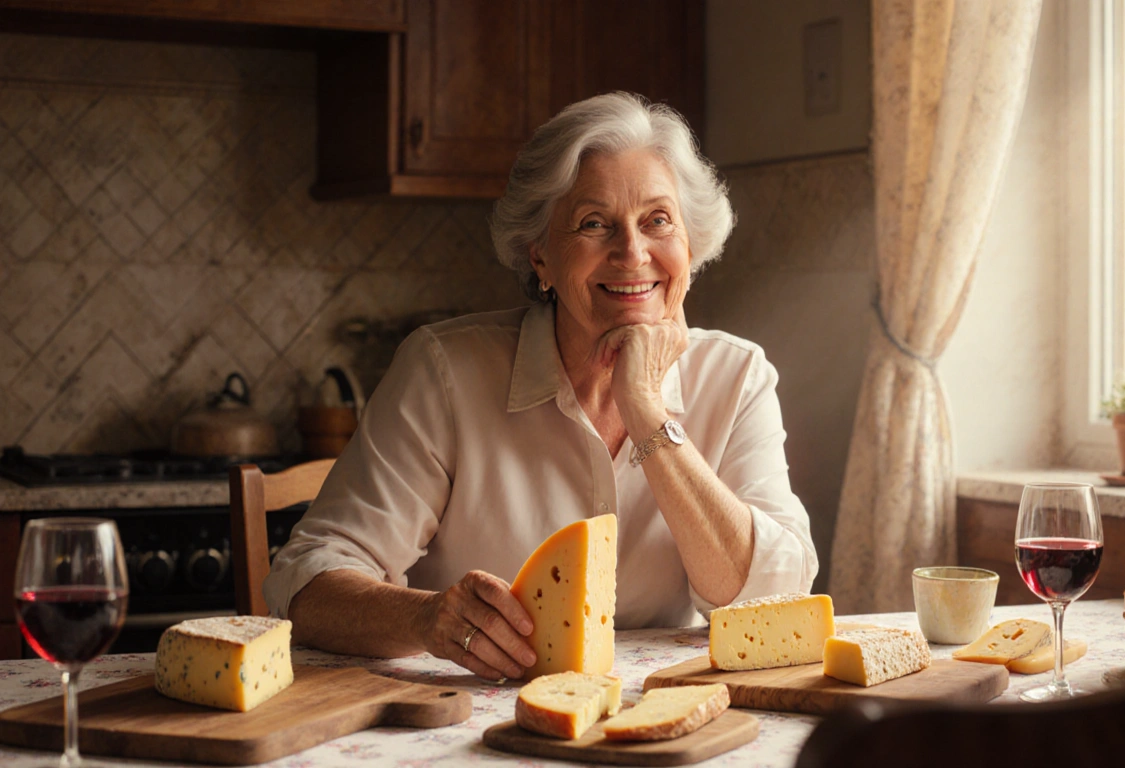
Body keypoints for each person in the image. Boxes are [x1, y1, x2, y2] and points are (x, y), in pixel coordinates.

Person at [264, 92, 818, 681]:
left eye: (658, 220)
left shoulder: (737, 377)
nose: (632, 253)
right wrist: (426, 619)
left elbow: (771, 595)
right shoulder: (444, 371)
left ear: (689, 245)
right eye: (594, 224)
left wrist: (645, 408)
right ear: (541, 258)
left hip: (655, 715)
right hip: (469, 720)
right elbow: (306, 579)